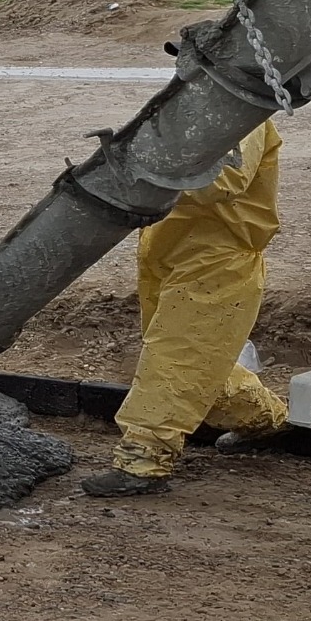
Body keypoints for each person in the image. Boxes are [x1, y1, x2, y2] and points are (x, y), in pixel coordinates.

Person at [80, 118, 289, 497]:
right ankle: (266, 419)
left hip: (217, 260)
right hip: (167, 250)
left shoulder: (244, 116)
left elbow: (225, 180)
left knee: (176, 356)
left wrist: (146, 170)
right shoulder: (188, 108)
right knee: (199, 361)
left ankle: (143, 460)